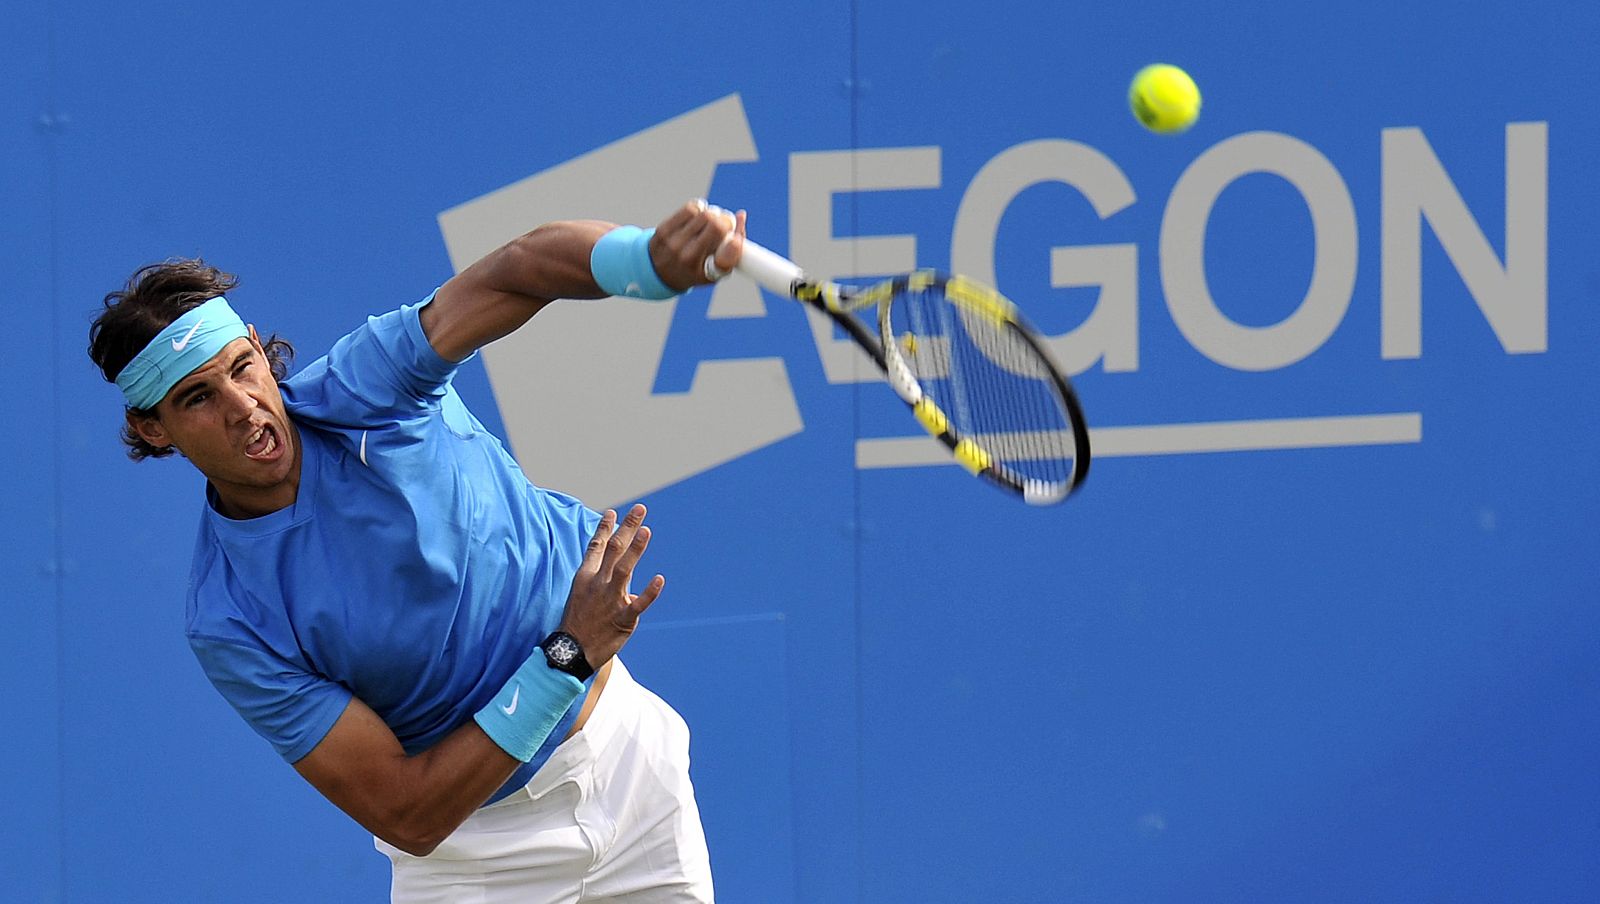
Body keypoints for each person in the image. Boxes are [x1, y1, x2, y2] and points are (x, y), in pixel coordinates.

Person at [87, 201, 747, 903]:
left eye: (243, 367)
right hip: (479, 862)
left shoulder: (366, 387)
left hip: (631, 765)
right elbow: (410, 812)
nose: (244, 405)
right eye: (196, 398)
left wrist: (645, 262)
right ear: (152, 429)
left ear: (257, 344)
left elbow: (520, 270)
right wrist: (568, 654)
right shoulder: (229, 619)